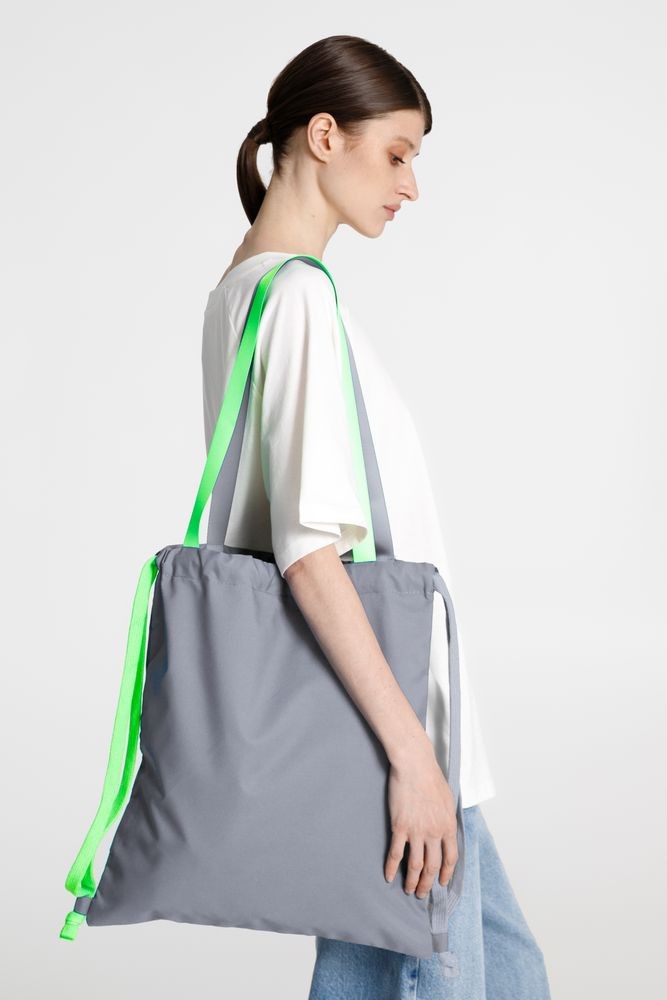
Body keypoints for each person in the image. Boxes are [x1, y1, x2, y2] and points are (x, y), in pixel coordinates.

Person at [202, 34, 552, 1000]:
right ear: (325, 136)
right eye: (396, 154)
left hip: (396, 731)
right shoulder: (296, 300)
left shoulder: (242, 289)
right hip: (390, 732)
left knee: (509, 974)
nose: (410, 185)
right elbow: (308, 555)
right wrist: (412, 759)